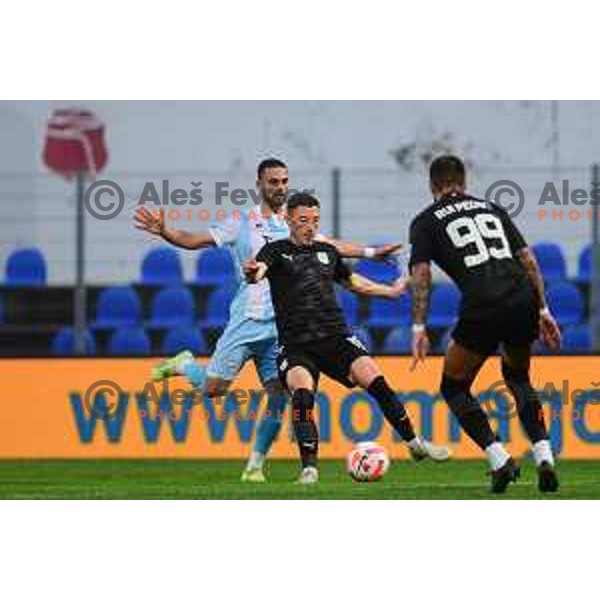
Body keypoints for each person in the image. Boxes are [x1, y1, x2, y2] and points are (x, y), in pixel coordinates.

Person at [134, 158, 402, 482]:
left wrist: (373, 253)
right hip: (245, 320)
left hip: (282, 328)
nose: (280, 187)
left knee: (280, 396)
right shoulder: (241, 222)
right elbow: (194, 240)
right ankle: (185, 365)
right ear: (260, 184)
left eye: (284, 181)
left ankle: (255, 465)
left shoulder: (295, 223)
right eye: (273, 182)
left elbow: (332, 247)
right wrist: (165, 231)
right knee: (213, 389)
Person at [244, 192, 450, 484]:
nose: (310, 226)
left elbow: (352, 282)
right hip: (296, 345)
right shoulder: (275, 251)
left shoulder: (328, 252)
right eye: (303, 220)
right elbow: (258, 271)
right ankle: (309, 470)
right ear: (288, 220)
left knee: (376, 380)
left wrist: (388, 292)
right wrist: (252, 273)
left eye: (315, 220)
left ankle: (415, 443)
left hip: (336, 337)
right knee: (302, 396)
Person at [408, 155, 562, 493]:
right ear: (464, 182)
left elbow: (421, 275)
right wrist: (543, 309)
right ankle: (545, 456)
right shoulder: (492, 208)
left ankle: (500, 460)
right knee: (519, 378)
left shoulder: (424, 221)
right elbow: (528, 260)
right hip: (522, 296)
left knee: (454, 387)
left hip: (483, 303)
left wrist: (418, 327)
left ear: (433, 185)